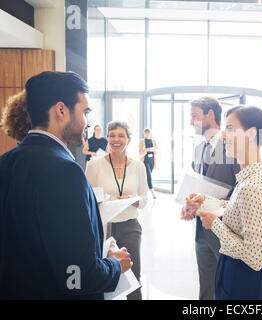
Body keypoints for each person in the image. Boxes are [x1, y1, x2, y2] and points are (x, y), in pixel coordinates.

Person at [0, 71, 131, 299]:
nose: (88, 122)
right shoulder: (65, 171)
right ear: (61, 110)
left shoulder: (5, 162)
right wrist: (115, 264)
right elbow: (78, 277)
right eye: (85, 112)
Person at [189, 106, 262, 300]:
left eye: (230, 128)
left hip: (243, 277)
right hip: (245, 274)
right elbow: (237, 207)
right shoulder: (257, 173)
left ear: (251, 133)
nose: (223, 135)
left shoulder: (251, 186)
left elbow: (253, 258)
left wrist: (214, 224)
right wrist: (208, 201)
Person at [180, 97, 240, 300]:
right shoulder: (199, 148)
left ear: (210, 115)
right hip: (201, 232)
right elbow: (197, 185)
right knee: (206, 288)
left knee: (229, 289)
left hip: (226, 232)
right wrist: (189, 206)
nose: (191, 122)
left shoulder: (233, 147)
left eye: (194, 116)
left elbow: (242, 191)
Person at [86, 121, 148, 300]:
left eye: (121, 135)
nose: (116, 139)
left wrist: (133, 201)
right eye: (112, 135)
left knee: (134, 279)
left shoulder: (138, 166)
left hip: (130, 227)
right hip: (103, 228)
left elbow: (144, 200)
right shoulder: (94, 165)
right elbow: (87, 199)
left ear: (128, 139)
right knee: (102, 278)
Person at [139, 128, 157, 199]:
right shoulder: (142, 141)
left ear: (150, 133)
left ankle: (144, 192)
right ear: (144, 133)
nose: (147, 134)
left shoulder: (153, 141)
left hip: (152, 160)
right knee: (149, 176)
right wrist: (146, 149)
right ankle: (153, 193)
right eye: (146, 133)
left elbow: (156, 150)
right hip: (145, 160)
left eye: (148, 133)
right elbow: (140, 152)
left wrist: (153, 149)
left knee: (147, 176)